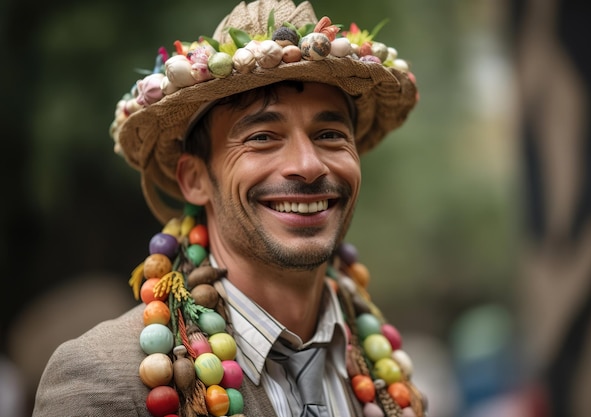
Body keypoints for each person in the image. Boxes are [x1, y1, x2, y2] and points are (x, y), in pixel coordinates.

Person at [33, 0, 425, 416]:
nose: (308, 166)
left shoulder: (386, 374)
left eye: (329, 134)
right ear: (195, 180)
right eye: (262, 137)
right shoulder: (105, 381)